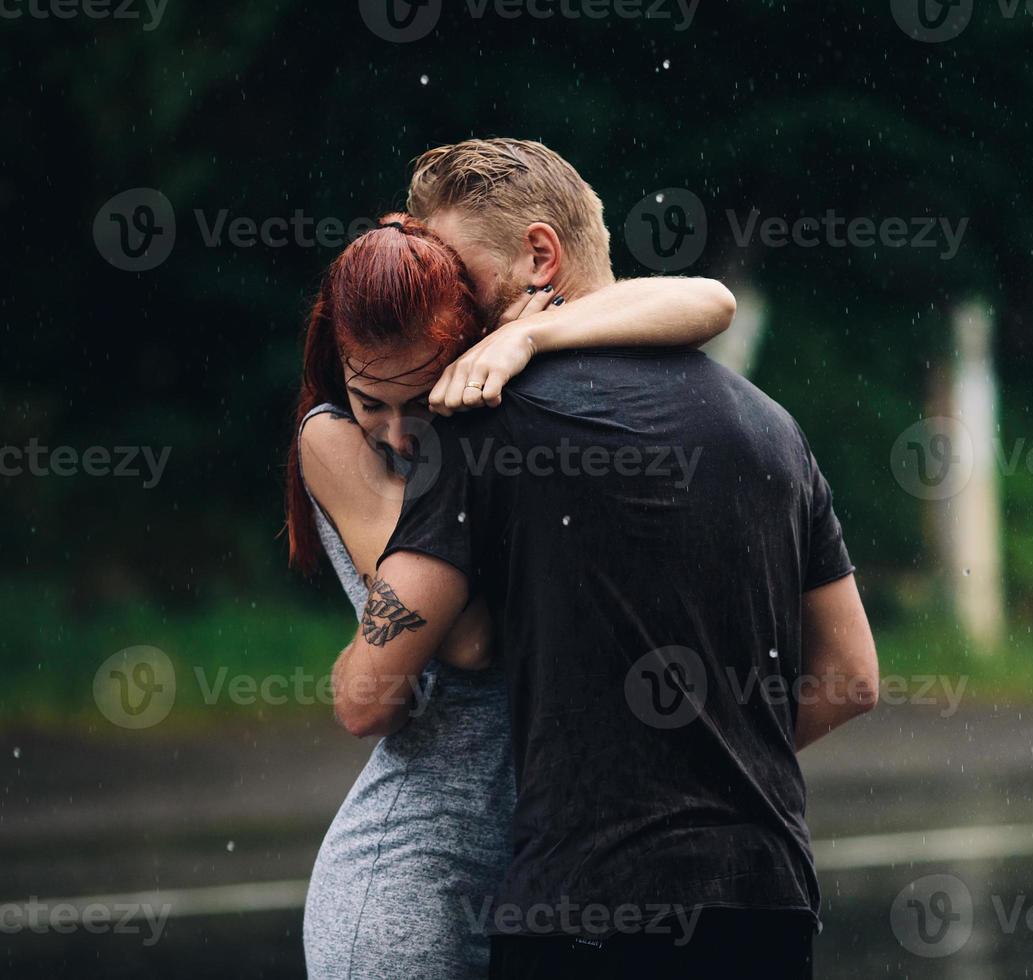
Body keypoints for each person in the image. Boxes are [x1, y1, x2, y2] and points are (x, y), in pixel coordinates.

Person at [332, 138, 880, 980]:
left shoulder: (486, 426)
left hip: (582, 910)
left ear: (539, 255)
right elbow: (851, 677)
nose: (447, 310)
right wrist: (708, 757)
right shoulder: (771, 425)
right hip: (765, 903)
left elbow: (368, 694)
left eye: (460, 279)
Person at [286, 208, 737, 979]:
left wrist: (531, 336)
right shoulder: (332, 441)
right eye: (372, 402)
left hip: (532, 876)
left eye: (419, 401)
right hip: (414, 879)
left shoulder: (500, 395)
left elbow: (710, 303)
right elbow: (468, 640)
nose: (396, 435)